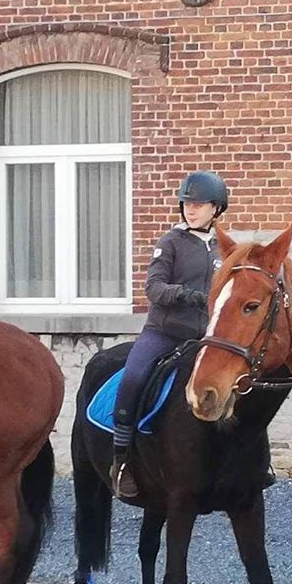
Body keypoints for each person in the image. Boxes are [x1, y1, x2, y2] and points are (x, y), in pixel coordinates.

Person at [110, 170, 229, 501]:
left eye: (199, 204)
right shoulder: (170, 242)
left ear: (216, 208)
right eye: (187, 204)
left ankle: (251, 460)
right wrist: (183, 294)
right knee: (133, 378)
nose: (191, 209)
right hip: (165, 332)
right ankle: (121, 459)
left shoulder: (223, 247)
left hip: (205, 336)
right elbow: (153, 287)